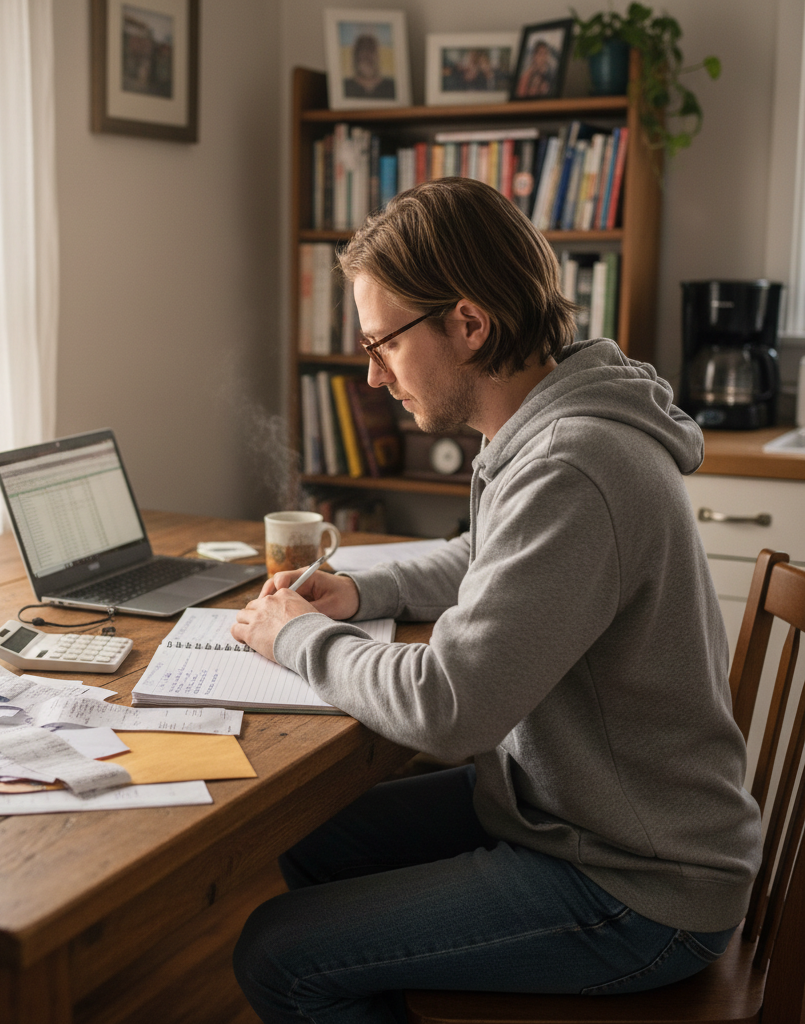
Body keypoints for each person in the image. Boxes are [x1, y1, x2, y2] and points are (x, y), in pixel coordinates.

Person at [230, 178, 762, 1024]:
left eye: (385, 346)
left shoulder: (573, 465)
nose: (372, 377)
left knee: (276, 954)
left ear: (468, 324)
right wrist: (361, 587)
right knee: (313, 833)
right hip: (579, 816)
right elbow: (486, 555)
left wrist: (297, 637)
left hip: (640, 885)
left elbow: (450, 707)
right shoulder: (556, 425)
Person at [343, 32, 396, 99]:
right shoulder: (345, 87)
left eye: (370, 51)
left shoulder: (391, 86)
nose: (367, 56)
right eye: (363, 51)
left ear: (377, 56)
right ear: (356, 57)